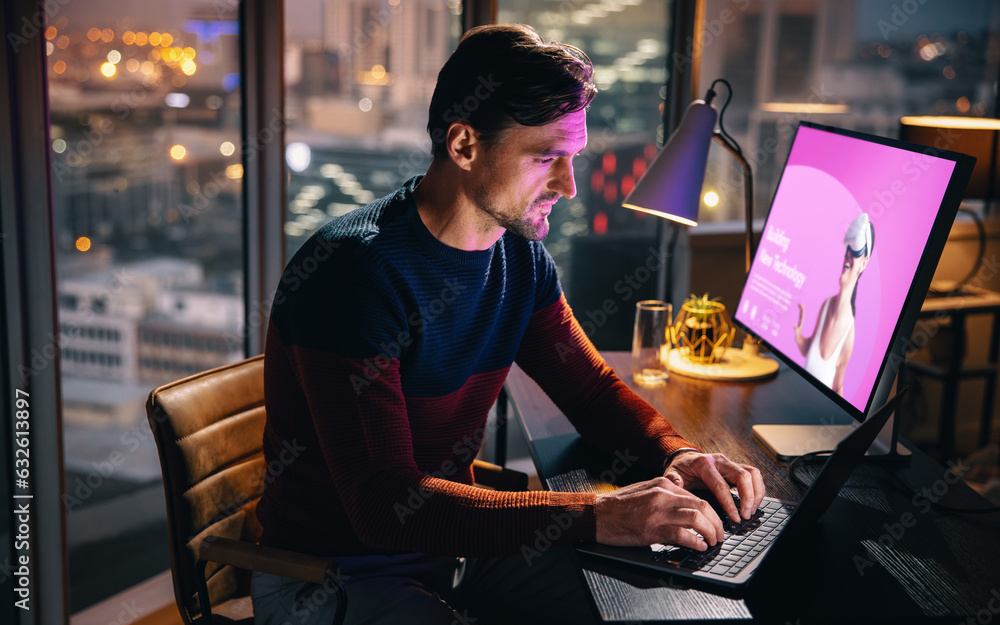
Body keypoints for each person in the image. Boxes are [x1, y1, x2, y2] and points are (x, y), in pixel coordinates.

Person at [251, 24, 765, 625]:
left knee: (653, 606)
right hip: (329, 576)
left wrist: (674, 453)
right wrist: (597, 515)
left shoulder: (517, 261)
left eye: (572, 158)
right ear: (464, 145)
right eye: (547, 157)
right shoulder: (353, 275)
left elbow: (591, 391)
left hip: (454, 555)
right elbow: (384, 504)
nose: (569, 186)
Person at [794, 213, 875, 396]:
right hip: (798, 398)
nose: (847, 255)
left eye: (855, 251)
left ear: (863, 263)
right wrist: (800, 338)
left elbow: (837, 388)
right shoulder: (826, 305)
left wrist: (838, 424)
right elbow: (809, 351)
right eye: (848, 249)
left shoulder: (849, 335)